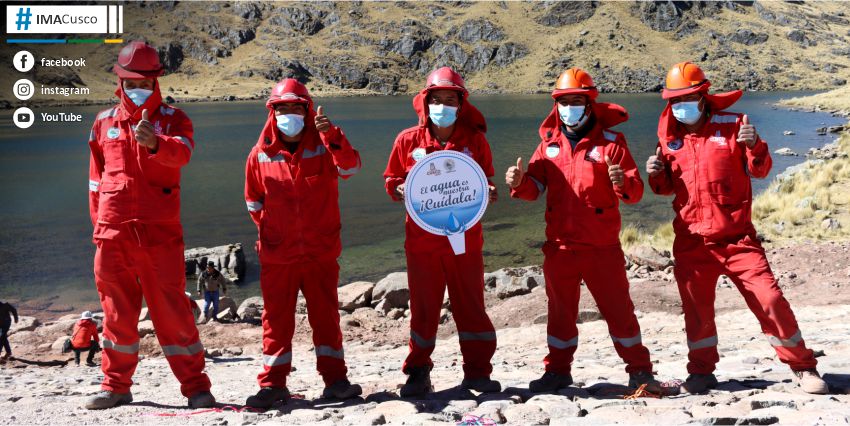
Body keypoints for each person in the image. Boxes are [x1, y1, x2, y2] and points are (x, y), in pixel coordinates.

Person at [646, 61, 829, 395]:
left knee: (769, 299)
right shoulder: (669, 138)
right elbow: (666, 189)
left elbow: (760, 171)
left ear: (703, 96)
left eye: (687, 97)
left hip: (737, 239)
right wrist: (656, 173)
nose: (680, 105)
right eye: (674, 100)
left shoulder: (734, 126)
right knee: (696, 311)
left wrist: (755, 144)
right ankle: (701, 371)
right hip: (691, 241)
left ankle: (803, 366)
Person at [506, 68, 671, 394]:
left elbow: (635, 193)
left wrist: (621, 182)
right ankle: (557, 372)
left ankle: (640, 370)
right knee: (560, 314)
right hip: (560, 247)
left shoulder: (612, 144)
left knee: (619, 311)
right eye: (564, 102)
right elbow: (534, 189)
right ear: (556, 105)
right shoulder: (548, 145)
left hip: (601, 248)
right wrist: (520, 182)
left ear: (589, 104)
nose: (570, 108)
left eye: (577, 102)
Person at [86, 41, 215, 409]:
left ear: (156, 81)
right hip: (112, 233)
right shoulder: (103, 122)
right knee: (116, 314)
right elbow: (95, 181)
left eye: (145, 82)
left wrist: (156, 143)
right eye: (132, 82)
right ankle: (115, 386)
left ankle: (196, 388)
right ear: (121, 82)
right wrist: (99, 228)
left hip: (159, 234)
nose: (138, 88)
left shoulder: (175, 119)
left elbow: (183, 153)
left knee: (172, 311)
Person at [243, 78, 363, 408]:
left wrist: (333, 135)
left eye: (295, 108)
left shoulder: (325, 146)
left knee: (326, 318)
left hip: (320, 252)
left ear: (307, 111)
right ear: (272, 112)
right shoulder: (259, 154)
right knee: (276, 321)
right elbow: (253, 202)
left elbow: (351, 167)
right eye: (282, 108)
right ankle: (273, 385)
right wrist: (275, 234)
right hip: (277, 255)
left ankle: (336, 381)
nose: (289, 114)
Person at [384, 67, 500, 397]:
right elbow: (391, 180)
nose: (443, 106)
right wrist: (399, 188)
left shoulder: (475, 141)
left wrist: (489, 191)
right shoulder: (407, 140)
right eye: (437, 99)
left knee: (471, 306)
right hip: (422, 243)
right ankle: (418, 371)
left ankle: (477, 372)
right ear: (426, 102)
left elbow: (485, 181)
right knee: (423, 310)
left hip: (465, 242)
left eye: (450, 99)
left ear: (461, 104)